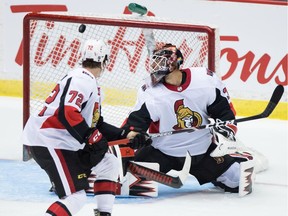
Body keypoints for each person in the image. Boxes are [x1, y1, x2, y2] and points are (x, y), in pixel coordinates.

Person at [22, 39, 146, 216]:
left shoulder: (88, 81)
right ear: (104, 60)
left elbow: (97, 124)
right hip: (49, 140)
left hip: (62, 140)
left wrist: (127, 134)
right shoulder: (81, 79)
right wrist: (91, 136)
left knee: (108, 164)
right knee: (75, 197)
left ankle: (104, 213)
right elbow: (68, 112)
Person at [121, 43, 256, 195]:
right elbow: (133, 124)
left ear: (175, 64)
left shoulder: (206, 80)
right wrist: (133, 136)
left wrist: (224, 130)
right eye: (155, 62)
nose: (156, 66)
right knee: (129, 184)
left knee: (238, 181)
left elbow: (226, 113)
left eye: (161, 62)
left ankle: (234, 158)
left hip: (201, 151)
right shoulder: (150, 92)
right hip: (162, 151)